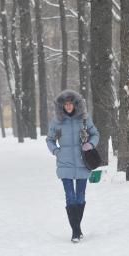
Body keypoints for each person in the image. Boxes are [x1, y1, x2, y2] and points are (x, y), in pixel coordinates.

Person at [46, 89, 99, 243]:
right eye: (65, 104)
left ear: (75, 105)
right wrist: (56, 151)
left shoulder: (84, 119)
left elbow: (95, 134)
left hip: (83, 162)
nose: (68, 107)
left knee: (80, 196)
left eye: (70, 104)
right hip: (64, 164)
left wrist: (90, 144)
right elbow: (49, 139)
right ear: (62, 106)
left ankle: (77, 228)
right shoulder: (57, 121)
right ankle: (76, 231)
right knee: (70, 196)